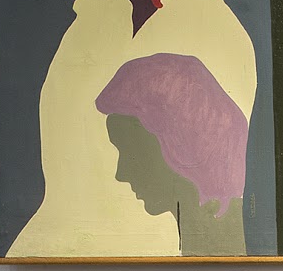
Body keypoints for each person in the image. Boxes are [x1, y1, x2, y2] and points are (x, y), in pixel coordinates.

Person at [5, 0, 256, 259]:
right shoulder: (93, 21)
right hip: (83, 217)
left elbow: (219, 136)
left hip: (161, 224)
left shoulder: (208, 22)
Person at [96, 53, 248, 257]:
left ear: (180, 147)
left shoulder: (226, 242)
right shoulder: (215, 233)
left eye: (133, 155)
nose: (120, 174)